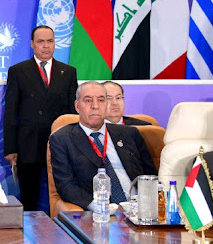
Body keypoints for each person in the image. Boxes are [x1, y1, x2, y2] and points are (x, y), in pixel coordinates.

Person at [3, 25, 77, 211]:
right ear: (32, 45)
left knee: (64, 195)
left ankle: (63, 235)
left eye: (50, 41)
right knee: (29, 198)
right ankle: (28, 237)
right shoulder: (18, 71)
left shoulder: (68, 72)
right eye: (41, 41)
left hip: (59, 144)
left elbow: (72, 114)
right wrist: (10, 148)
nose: (46, 46)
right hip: (28, 144)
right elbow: (11, 112)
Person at [50, 81, 154, 209]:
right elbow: (66, 186)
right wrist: (100, 207)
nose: (95, 106)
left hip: (138, 208)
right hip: (99, 211)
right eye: (88, 101)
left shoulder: (130, 133)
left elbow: (151, 176)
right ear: (77, 106)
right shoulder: (62, 139)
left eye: (101, 100)